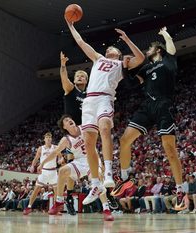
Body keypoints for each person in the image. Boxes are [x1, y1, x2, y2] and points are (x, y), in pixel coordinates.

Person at [65, 18, 145, 205]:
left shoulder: (121, 64)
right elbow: (81, 42)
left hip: (104, 98)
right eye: (108, 48)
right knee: (88, 143)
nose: (109, 49)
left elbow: (141, 58)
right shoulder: (98, 58)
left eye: (113, 49)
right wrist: (71, 26)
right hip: (89, 101)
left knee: (105, 129)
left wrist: (126, 40)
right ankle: (95, 183)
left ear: (117, 54)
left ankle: (108, 172)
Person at [118, 27, 183, 195]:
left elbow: (170, 46)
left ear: (158, 50)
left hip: (164, 105)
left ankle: (181, 191)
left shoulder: (168, 60)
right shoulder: (145, 69)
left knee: (169, 149)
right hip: (147, 106)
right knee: (124, 140)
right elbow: (131, 84)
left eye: (150, 48)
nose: (147, 51)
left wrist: (165, 34)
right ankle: (124, 178)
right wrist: (125, 68)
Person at [38, 115, 114, 221]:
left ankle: (106, 209)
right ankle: (59, 201)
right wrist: (42, 163)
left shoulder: (84, 128)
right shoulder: (66, 139)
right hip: (79, 161)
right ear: (64, 127)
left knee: (97, 181)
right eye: (66, 121)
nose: (69, 120)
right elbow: (55, 152)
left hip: (92, 159)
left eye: (70, 119)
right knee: (62, 170)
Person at [60, 51, 88, 215]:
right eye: (77, 75)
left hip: (84, 133)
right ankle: (69, 197)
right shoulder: (71, 90)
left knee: (88, 163)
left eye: (82, 76)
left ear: (86, 80)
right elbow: (64, 79)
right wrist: (63, 65)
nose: (78, 77)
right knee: (70, 162)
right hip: (69, 135)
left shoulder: (89, 95)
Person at [23, 132, 57, 215]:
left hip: (53, 171)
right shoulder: (41, 148)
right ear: (44, 139)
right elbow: (36, 158)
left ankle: (56, 208)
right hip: (44, 171)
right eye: (47, 137)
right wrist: (32, 166)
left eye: (50, 137)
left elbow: (60, 156)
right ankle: (29, 206)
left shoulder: (55, 147)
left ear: (51, 139)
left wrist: (60, 159)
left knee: (56, 190)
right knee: (36, 189)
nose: (48, 138)